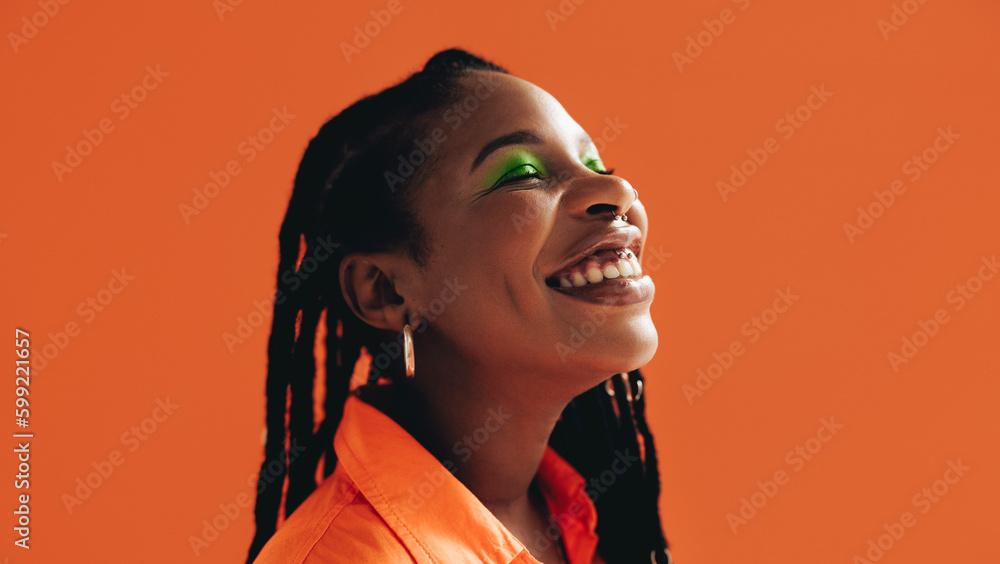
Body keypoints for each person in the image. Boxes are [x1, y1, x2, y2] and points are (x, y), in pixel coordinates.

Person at [246, 48, 673, 564]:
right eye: (521, 173)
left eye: (595, 164)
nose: (617, 188)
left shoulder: (584, 513)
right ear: (385, 290)